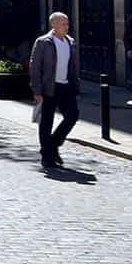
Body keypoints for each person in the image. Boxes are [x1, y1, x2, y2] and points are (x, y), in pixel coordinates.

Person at [29, 12, 81, 170]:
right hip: (48, 87)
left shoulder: (70, 42)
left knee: (72, 116)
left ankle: (52, 145)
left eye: (67, 24)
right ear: (54, 25)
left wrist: (76, 84)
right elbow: (35, 66)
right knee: (46, 122)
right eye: (63, 24)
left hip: (66, 86)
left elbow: (72, 66)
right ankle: (47, 157)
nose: (67, 27)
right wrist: (37, 90)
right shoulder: (43, 42)